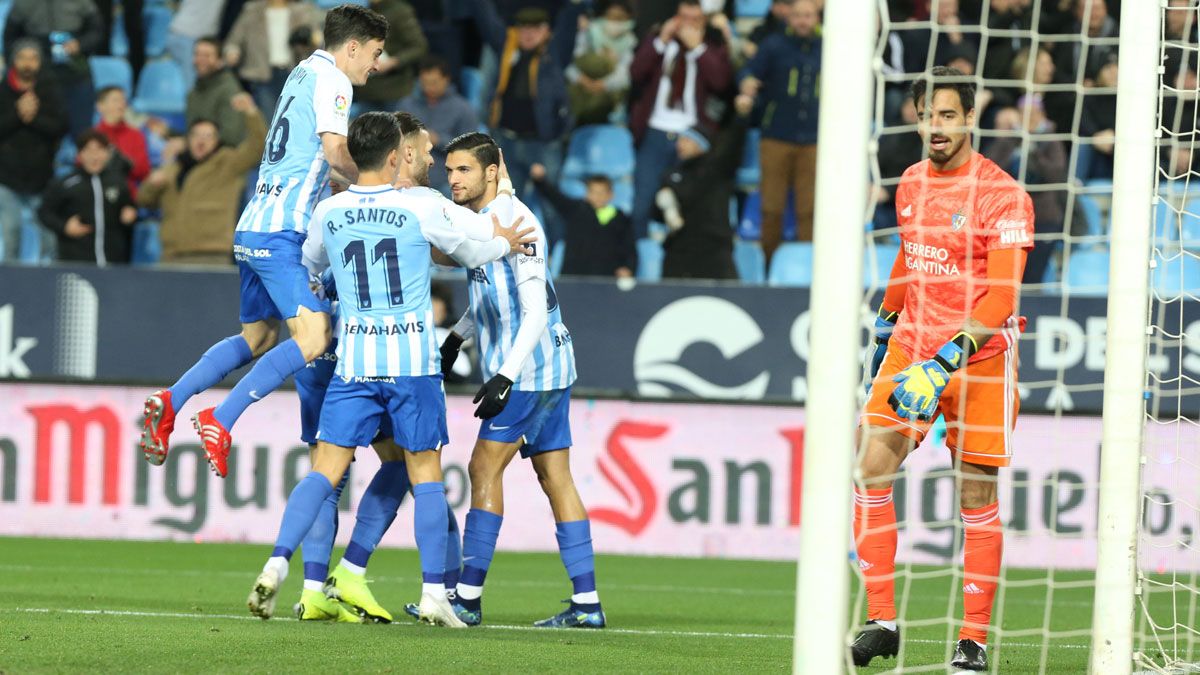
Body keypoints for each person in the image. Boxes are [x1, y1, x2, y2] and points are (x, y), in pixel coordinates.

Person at [245, 112, 533, 625]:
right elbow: (480, 243)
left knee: (323, 472)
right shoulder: (418, 206)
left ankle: (276, 561)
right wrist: (504, 237)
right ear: (397, 155)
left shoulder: (329, 211)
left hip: (354, 364)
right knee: (424, 474)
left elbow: (309, 268)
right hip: (411, 364)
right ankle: (433, 595)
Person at [137, 5, 389, 480]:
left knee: (256, 337)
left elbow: (310, 156)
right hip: (279, 233)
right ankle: (220, 418)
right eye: (374, 52)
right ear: (352, 46)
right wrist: (379, 186)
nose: (375, 64)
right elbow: (336, 151)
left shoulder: (301, 72)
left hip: (253, 222)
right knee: (314, 337)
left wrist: (338, 183)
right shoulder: (336, 79)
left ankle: (171, 400)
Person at [850, 67, 1033, 672]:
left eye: (948, 115)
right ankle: (882, 622)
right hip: (911, 348)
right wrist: (885, 325)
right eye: (928, 114)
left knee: (975, 494)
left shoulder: (1004, 195)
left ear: (970, 119)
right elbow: (910, 255)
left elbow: (1002, 297)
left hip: (977, 360)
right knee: (869, 468)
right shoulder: (908, 183)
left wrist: (945, 361)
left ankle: (972, 640)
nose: (936, 127)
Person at [428, 131, 605, 630]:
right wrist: (458, 336)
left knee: (483, 468)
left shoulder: (517, 221)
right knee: (556, 477)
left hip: (528, 369)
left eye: (464, 170)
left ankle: (466, 598)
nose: (454, 179)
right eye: (450, 170)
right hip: (551, 367)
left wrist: (504, 376)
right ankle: (588, 605)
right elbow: (492, 291)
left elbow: (531, 312)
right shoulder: (486, 221)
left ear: (490, 170)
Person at [469, 1, 583, 245]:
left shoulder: (555, 54)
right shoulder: (506, 48)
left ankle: (556, 260)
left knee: (552, 208)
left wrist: (575, 5)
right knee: (504, 204)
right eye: (523, 29)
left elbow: (568, 28)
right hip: (506, 141)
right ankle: (506, 255)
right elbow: (487, 22)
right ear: (515, 30)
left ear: (546, 31)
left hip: (542, 144)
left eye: (535, 28)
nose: (528, 34)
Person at [628, 0, 733, 239]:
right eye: (683, 18)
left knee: (685, 207)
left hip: (691, 138)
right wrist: (661, 40)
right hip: (655, 133)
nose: (687, 25)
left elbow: (721, 82)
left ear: (703, 22)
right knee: (641, 204)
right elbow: (636, 71)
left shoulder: (711, 47)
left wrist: (697, 49)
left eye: (694, 20)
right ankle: (639, 261)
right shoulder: (660, 41)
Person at [737, 0, 820, 266]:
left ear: (817, 17)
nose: (803, 21)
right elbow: (749, 71)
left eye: (808, 15)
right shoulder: (773, 45)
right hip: (776, 136)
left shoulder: (831, 47)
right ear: (789, 18)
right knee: (771, 207)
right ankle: (768, 265)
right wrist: (746, 82)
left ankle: (808, 267)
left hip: (816, 140)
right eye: (798, 15)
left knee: (809, 209)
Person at [138, 93, 266, 266]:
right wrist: (152, 184)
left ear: (217, 141)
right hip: (170, 256)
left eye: (208, 136)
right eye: (197, 135)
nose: (201, 141)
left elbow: (258, 146)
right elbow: (144, 200)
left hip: (211, 255)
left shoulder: (227, 163)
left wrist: (250, 112)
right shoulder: (173, 168)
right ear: (188, 140)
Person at [0, 39, 66, 262]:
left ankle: (46, 288)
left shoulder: (50, 91)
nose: (28, 63)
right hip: (6, 179)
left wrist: (34, 118)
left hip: (42, 178)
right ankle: (7, 290)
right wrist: (17, 115)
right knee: (11, 236)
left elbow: (60, 127)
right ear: (13, 61)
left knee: (49, 240)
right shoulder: (2, 91)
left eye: (33, 58)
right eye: (22, 58)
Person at [653, 121, 745, 280]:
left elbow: (733, 147)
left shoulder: (718, 171)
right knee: (671, 299)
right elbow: (655, 214)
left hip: (713, 248)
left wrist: (741, 116)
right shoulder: (671, 175)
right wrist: (664, 207)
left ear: (701, 145)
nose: (680, 144)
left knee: (726, 299)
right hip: (679, 249)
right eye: (680, 140)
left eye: (687, 140)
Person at [3, 0, 104, 138]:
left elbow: (97, 31)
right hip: (38, 77)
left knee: (82, 133)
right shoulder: (23, 3)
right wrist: (29, 50)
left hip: (75, 73)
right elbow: (10, 39)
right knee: (40, 131)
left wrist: (81, 44)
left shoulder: (82, 2)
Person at [37, 130, 138, 265]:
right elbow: (44, 212)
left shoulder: (118, 182)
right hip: (75, 262)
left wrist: (130, 213)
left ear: (108, 154)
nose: (94, 156)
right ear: (80, 155)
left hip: (113, 261)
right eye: (89, 151)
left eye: (100, 150)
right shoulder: (66, 183)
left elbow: (129, 206)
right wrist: (64, 226)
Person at [529, 162, 635, 278]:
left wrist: (628, 267)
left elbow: (629, 247)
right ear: (587, 194)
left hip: (607, 280)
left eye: (602, 192)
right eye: (593, 192)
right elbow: (555, 197)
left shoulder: (621, 218)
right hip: (574, 278)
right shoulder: (576, 210)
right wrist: (540, 180)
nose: (598, 196)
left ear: (611, 195)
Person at [223, 0, 323, 120]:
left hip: (294, 73)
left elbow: (318, 40)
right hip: (263, 75)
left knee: (295, 119)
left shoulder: (303, 11)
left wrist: (313, 38)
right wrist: (232, 52)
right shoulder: (252, 10)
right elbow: (234, 40)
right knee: (269, 121)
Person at [398, 56, 479, 197]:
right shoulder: (407, 105)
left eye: (434, 83)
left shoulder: (463, 109)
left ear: (446, 80)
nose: (429, 87)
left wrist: (439, 140)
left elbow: (471, 150)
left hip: (446, 179)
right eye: (424, 83)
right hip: (408, 178)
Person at [352, 0, 427, 114]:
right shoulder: (361, 11)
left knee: (399, 130)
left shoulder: (400, 11)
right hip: (367, 91)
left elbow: (419, 46)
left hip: (395, 91)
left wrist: (394, 62)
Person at [187, 37, 248, 147]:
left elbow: (231, 137)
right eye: (197, 54)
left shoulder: (229, 90)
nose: (200, 60)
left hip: (224, 158)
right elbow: (191, 130)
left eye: (207, 56)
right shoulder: (193, 92)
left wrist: (189, 143)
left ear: (220, 61)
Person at [94, 86, 151, 199]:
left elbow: (144, 170)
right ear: (100, 106)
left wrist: (126, 163)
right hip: (97, 195)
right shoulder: (92, 136)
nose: (121, 105)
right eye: (115, 100)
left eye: (123, 100)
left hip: (126, 196)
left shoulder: (136, 135)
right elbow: (81, 164)